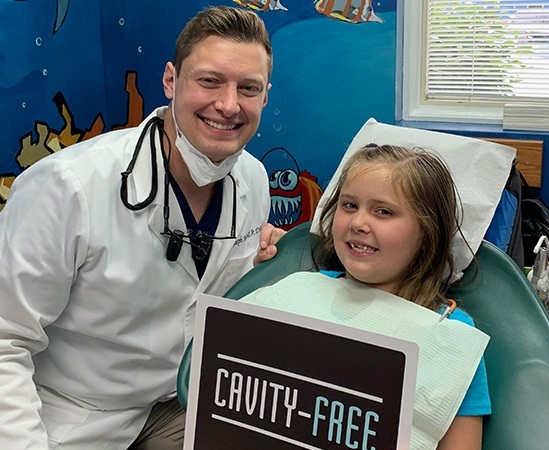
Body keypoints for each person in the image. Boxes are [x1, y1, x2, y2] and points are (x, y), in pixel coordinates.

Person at [0, 6, 284, 450]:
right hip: (72, 414)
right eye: (209, 81)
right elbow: (4, 339)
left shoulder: (251, 180)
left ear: (264, 97)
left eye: (248, 88)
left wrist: (270, 267)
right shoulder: (68, 187)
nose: (229, 105)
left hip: (179, 399)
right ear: (171, 81)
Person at [242, 143, 491, 450]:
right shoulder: (297, 291)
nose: (358, 223)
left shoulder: (451, 341)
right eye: (349, 205)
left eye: (383, 211)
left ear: (427, 234)